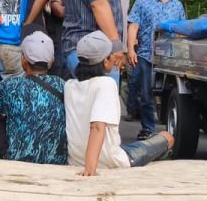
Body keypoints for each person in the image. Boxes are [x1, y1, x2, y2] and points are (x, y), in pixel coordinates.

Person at [65, 31, 173, 176]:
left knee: (131, 146)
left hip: (75, 159)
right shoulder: (106, 84)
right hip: (111, 160)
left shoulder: (69, 85)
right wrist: (89, 169)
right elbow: (97, 127)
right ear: (105, 61)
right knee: (167, 137)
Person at [0, 31, 67, 164]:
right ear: (51, 61)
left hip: (18, 159)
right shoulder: (62, 85)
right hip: (56, 161)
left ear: (23, 60)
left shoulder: (11, 85)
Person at [126, 0, 186, 140]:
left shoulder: (177, 5)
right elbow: (133, 26)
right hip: (147, 54)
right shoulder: (142, 2)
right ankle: (148, 128)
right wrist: (131, 49)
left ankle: (169, 129)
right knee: (146, 93)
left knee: (171, 94)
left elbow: (182, 31)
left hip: (170, 58)